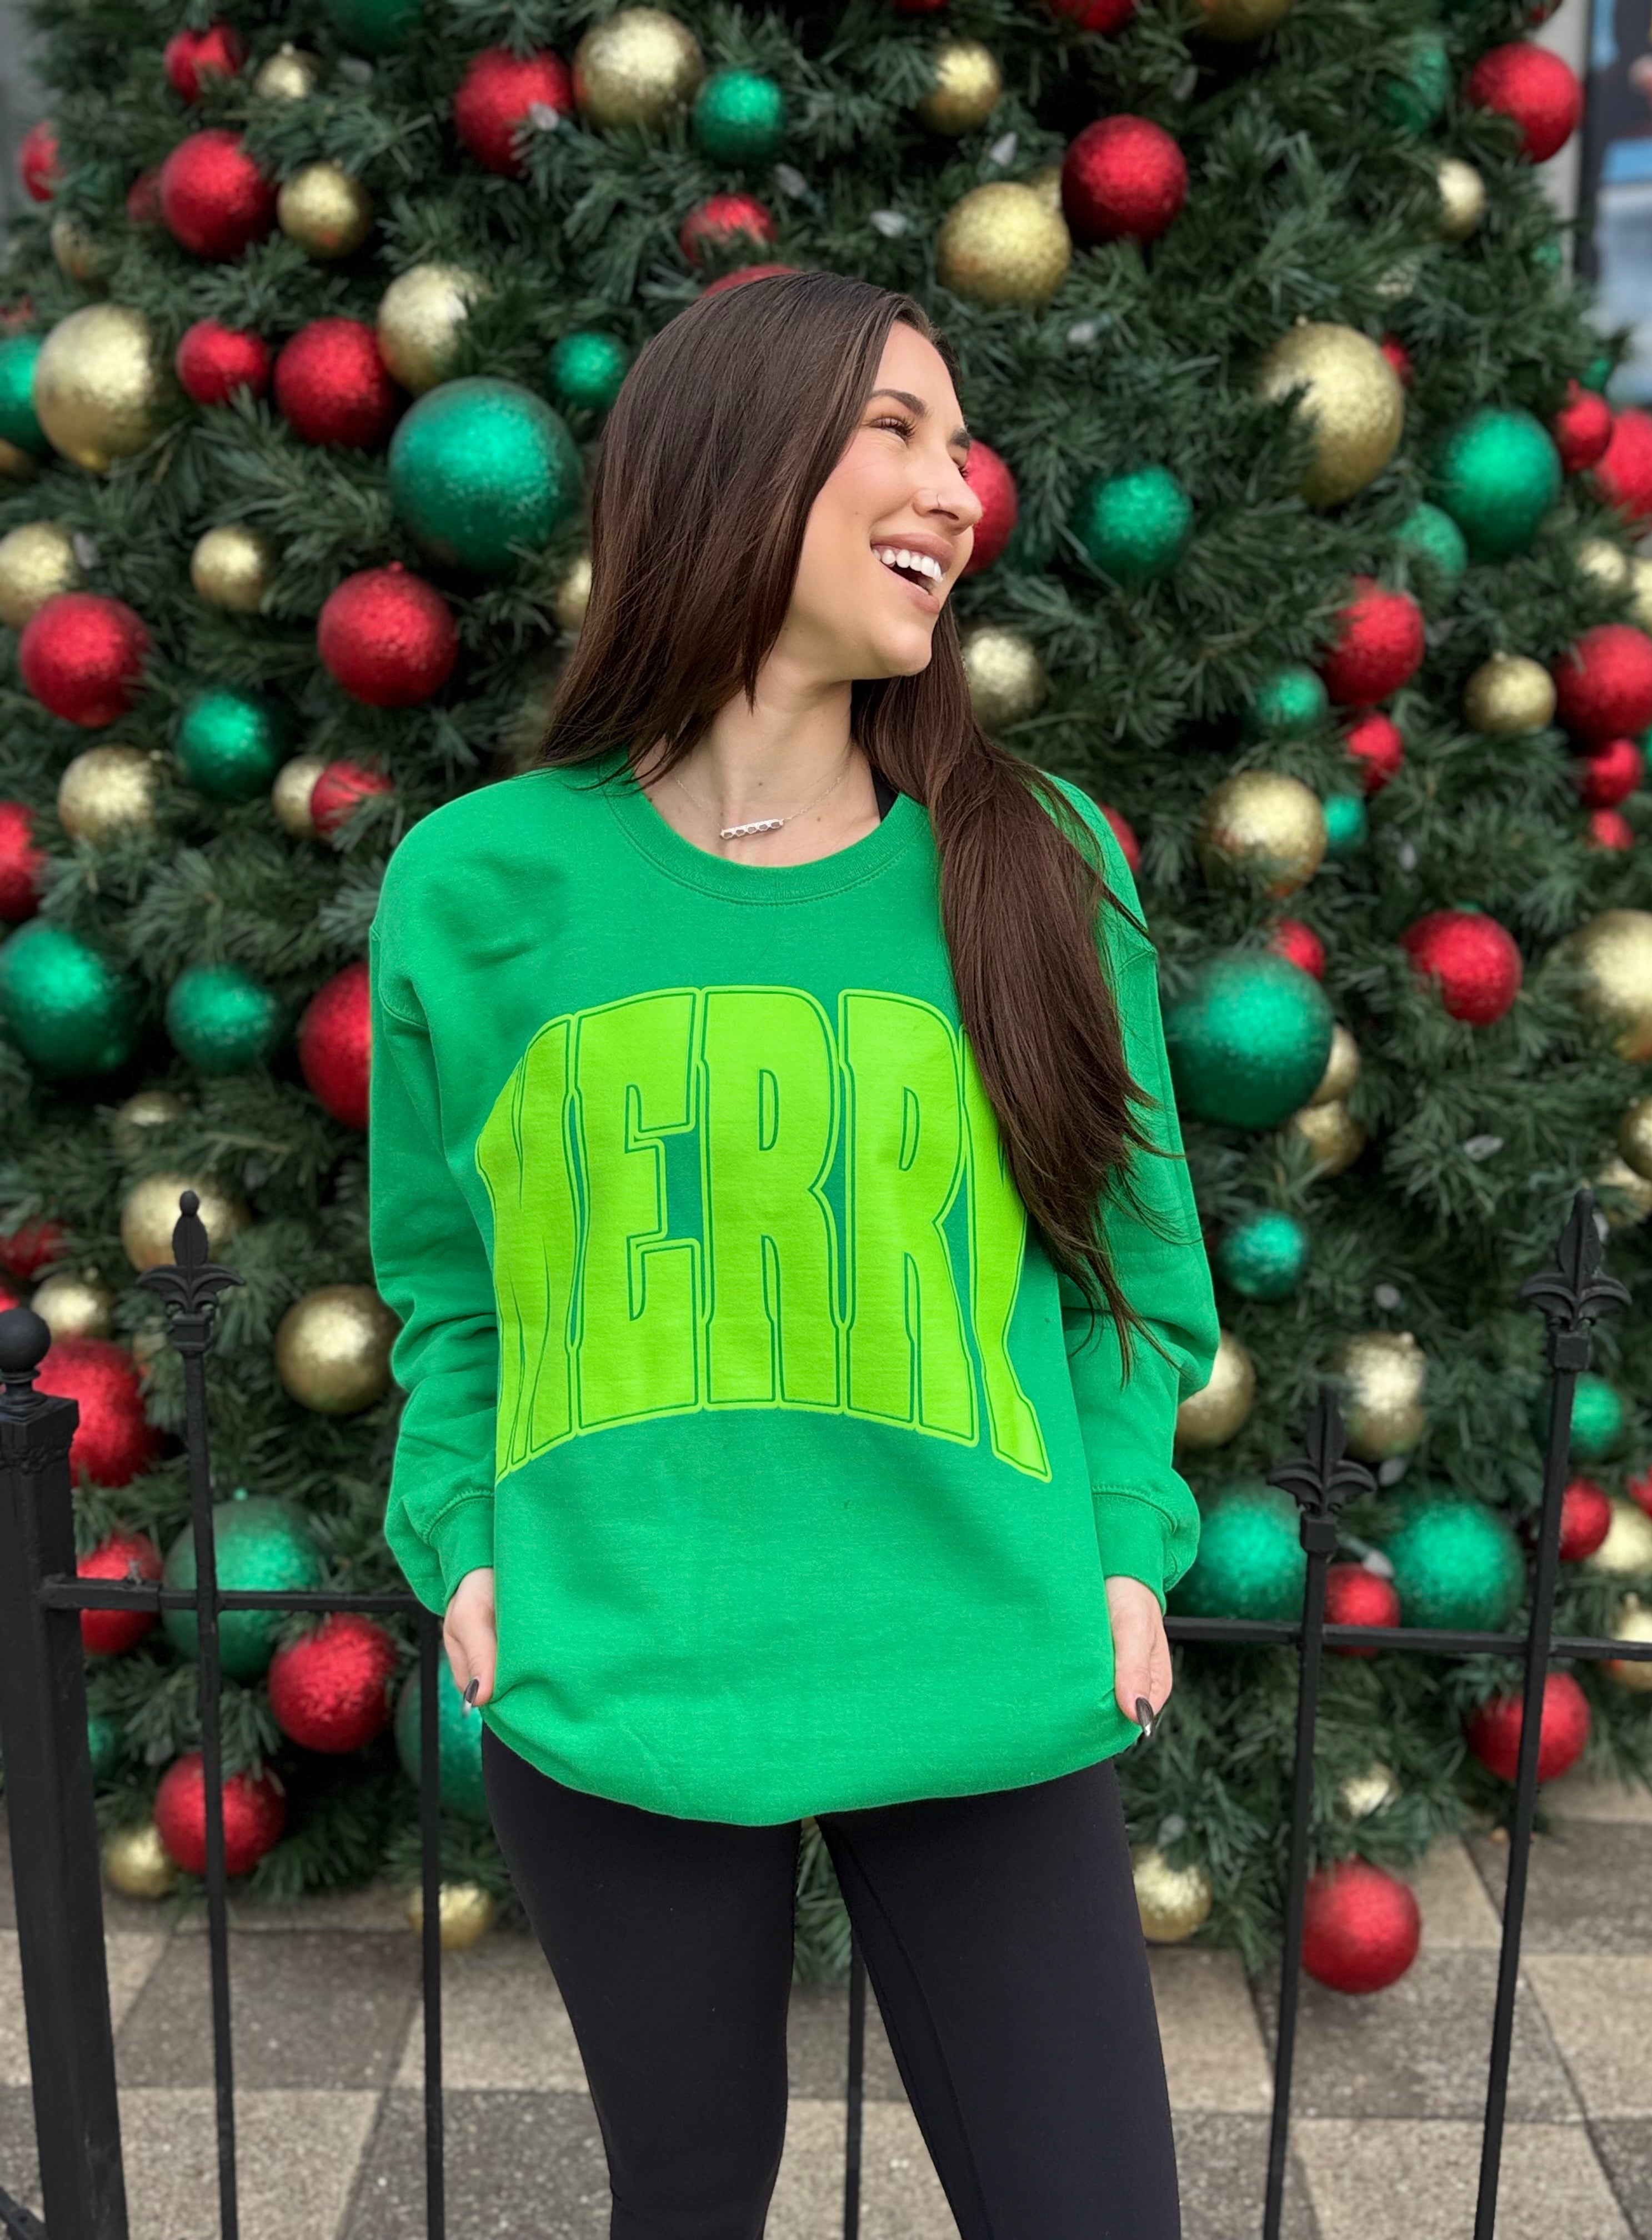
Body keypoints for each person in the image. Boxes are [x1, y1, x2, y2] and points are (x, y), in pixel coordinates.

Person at [367, 268, 1220, 2239]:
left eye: (962, 445)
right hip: (624, 1670)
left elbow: (1130, 1277)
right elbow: (451, 1285)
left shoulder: (1036, 859)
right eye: (895, 432)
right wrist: (463, 1537)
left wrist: (1120, 1548)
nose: (959, 492)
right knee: (688, 2201)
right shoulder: (481, 886)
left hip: (983, 1664)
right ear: (734, 468)